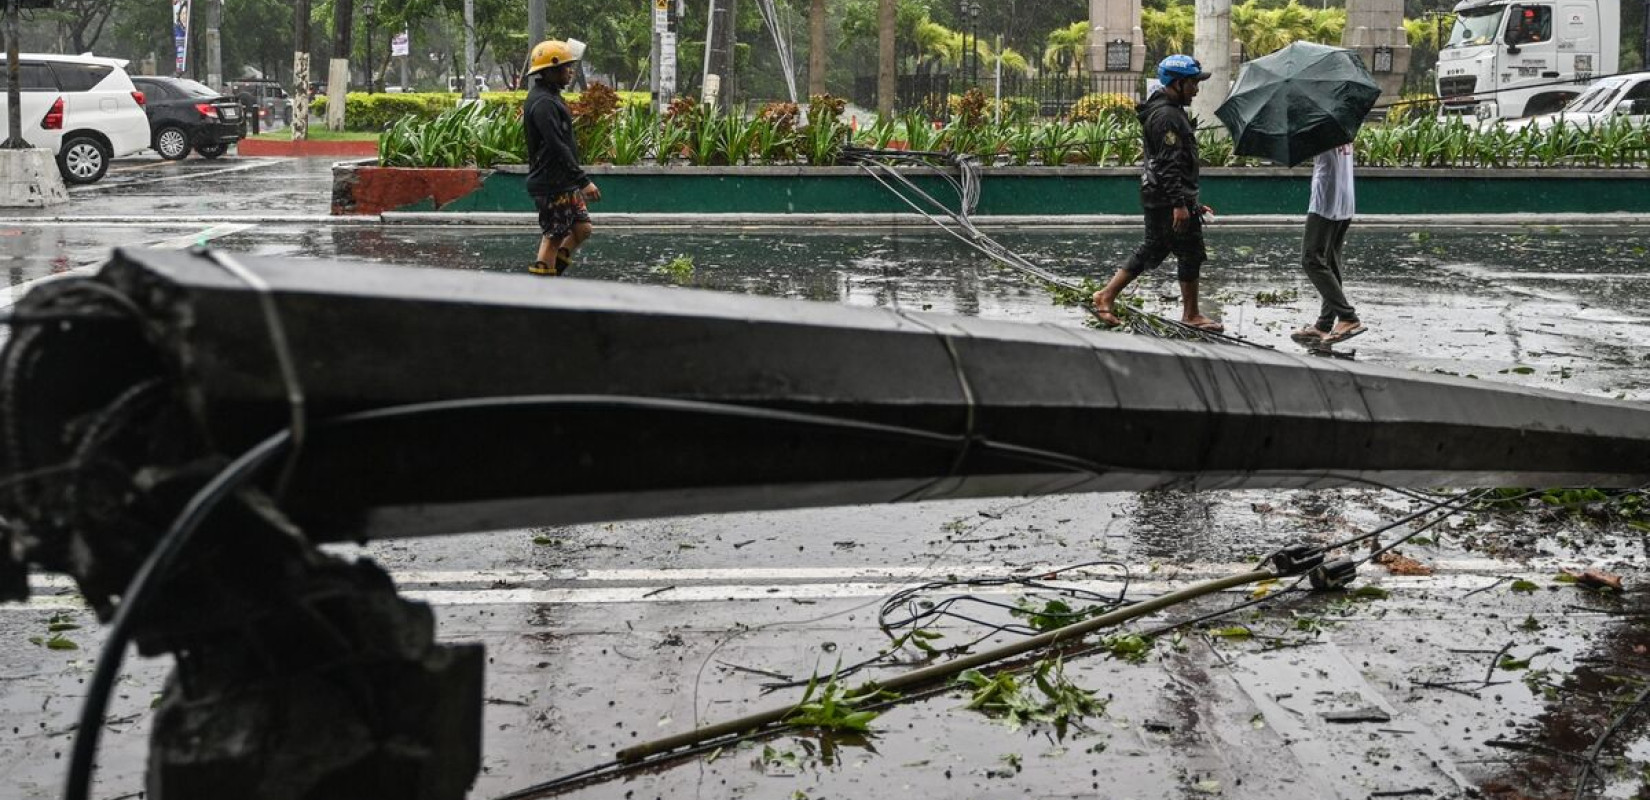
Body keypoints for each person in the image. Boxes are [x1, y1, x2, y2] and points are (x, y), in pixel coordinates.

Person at [1091, 54, 1222, 332]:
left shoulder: (1171, 111)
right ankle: (1106, 296)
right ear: (1177, 83)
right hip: (1165, 199)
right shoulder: (1166, 116)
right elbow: (1168, 164)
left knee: (1188, 251)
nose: (1197, 90)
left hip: (1167, 197)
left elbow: (1173, 164)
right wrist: (1179, 204)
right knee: (1160, 247)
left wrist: (1191, 203)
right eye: (1193, 83)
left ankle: (1190, 313)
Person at [523, 38, 601, 276]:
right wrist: (583, 180)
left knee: (582, 229)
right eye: (566, 67)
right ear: (550, 71)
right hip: (551, 181)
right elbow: (557, 145)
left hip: (562, 180)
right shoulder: (543, 103)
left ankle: (551, 272)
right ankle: (542, 291)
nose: (570, 72)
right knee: (554, 237)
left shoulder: (550, 96)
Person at [1291, 143, 1365, 345]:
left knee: (1311, 259)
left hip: (1326, 198)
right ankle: (1324, 323)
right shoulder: (1339, 124)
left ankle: (1347, 316)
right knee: (1331, 261)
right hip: (1344, 196)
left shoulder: (1317, 124)